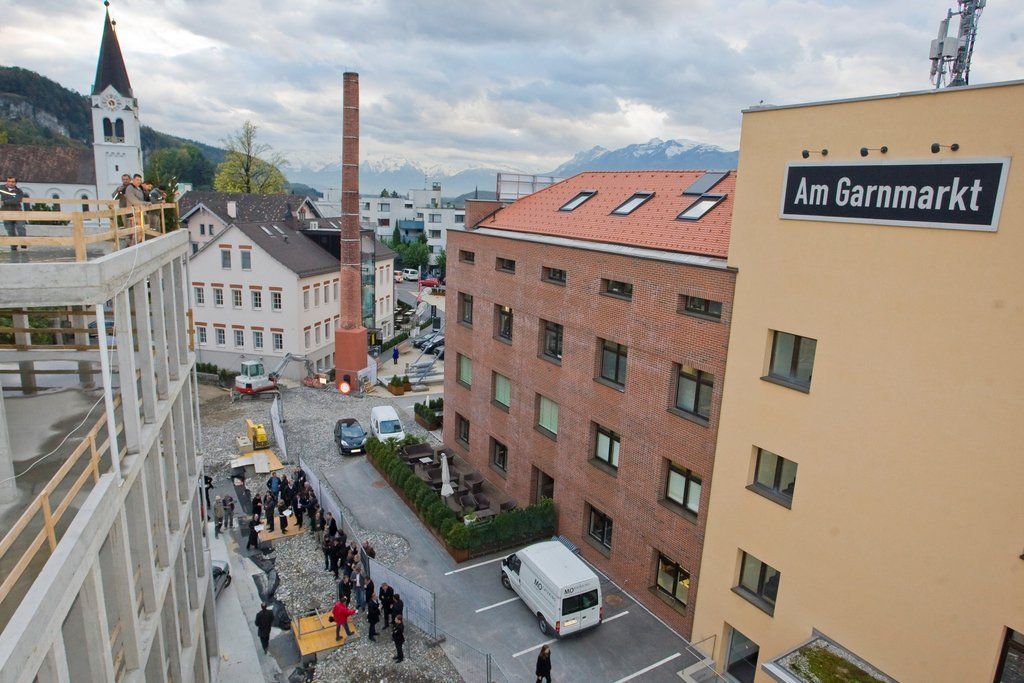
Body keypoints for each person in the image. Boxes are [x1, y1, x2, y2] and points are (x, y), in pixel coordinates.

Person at [1, 175, 27, 251]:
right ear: (6, 182)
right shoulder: (1, 188)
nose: (10, 183)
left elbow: (16, 200)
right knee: (10, 231)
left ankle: (23, 245)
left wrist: (4, 202)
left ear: (15, 183)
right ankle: (13, 248)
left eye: (12, 182)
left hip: (17, 213)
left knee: (21, 228)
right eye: (9, 181)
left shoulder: (19, 191)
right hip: (6, 213)